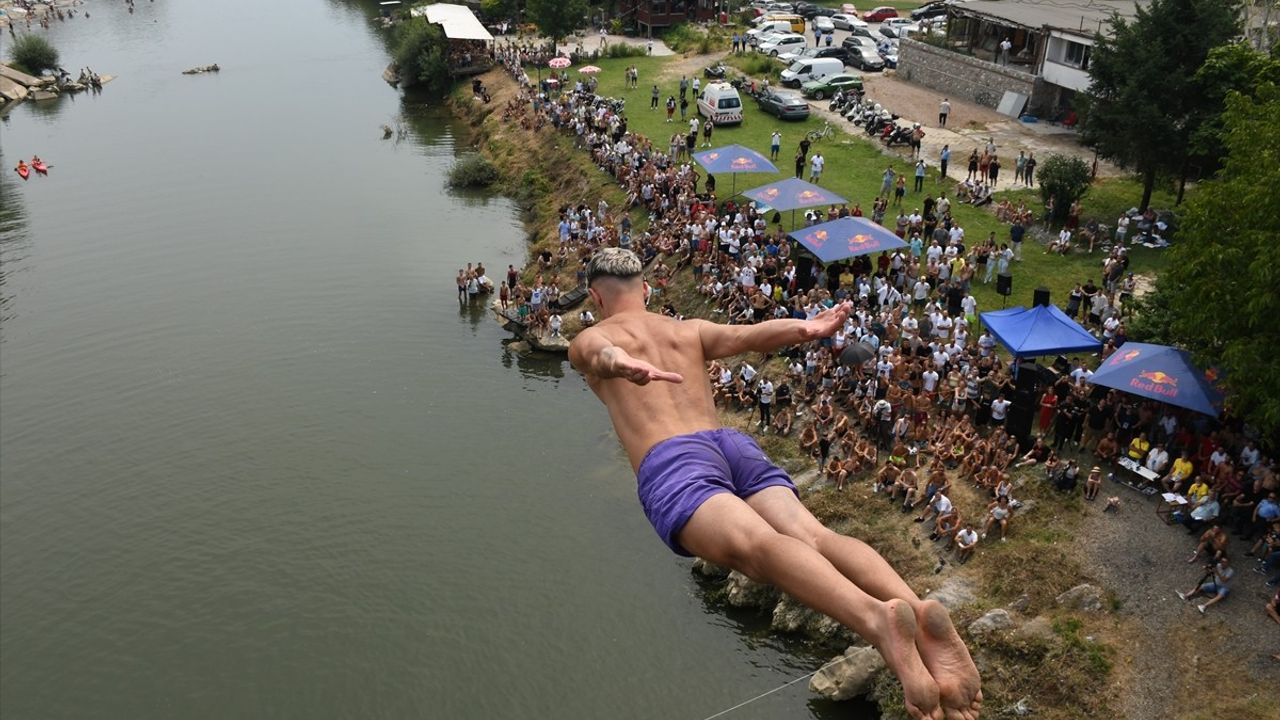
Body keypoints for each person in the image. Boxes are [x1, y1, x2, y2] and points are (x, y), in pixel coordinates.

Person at [568, 249, 982, 719]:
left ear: (596, 298)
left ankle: (877, 621)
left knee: (758, 548)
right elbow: (748, 337)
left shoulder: (591, 336)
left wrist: (621, 363)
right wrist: (805, 327)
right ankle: (914, 610)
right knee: (815, 536)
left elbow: (596, 355)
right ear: (646, 290)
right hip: (730, 444)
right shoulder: (686, 329)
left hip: (674, 458)